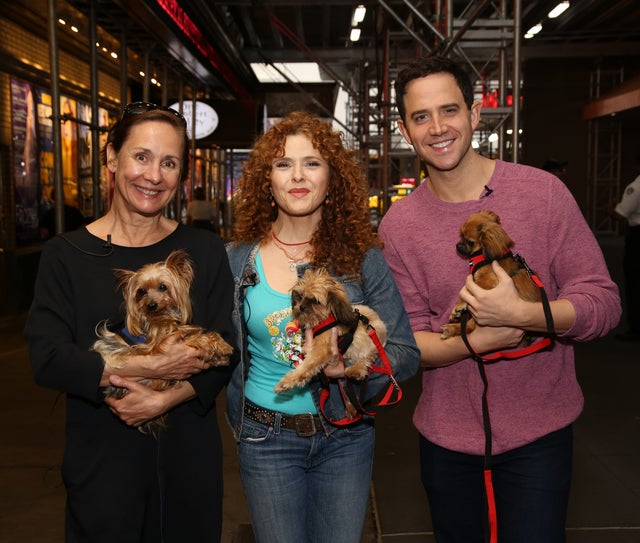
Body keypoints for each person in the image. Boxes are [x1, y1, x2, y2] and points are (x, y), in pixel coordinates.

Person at [378, 56, 621, 543]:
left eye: (449, 110)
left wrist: (526, 316)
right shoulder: (398, 226)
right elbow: (410, 344)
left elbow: (602, 303)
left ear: (474, 115)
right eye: (421, 117)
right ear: (405, 130)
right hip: (446, 442)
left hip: (540, 435)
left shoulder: (543, 193)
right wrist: (481, 340)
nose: (437, 127)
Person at [24, 101, 237, 542]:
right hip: (102, 463)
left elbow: (227, 348)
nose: (153, 175)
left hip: (187, 460)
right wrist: (147, 367)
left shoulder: (204, 249)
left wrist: (164, 399)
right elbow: (48, 357)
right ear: (110, 157)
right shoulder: (65, 255)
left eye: (169, 162)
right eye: (141, 156)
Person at [225, 110, 420, 543]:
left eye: (312, 163)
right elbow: (219, 349)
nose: (298, 175)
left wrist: (352, 365)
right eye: (283, 163)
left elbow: (405, 353)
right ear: (266, 180)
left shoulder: (362, 257)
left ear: (332, 179)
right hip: (264, 437)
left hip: (345, 437)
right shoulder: (236, 259)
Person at [610, 152, 640, 341]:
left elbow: (620, 214)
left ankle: (636, 328)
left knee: (635, 282)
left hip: (638, 237)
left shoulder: (635, 187)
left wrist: (609, 209)